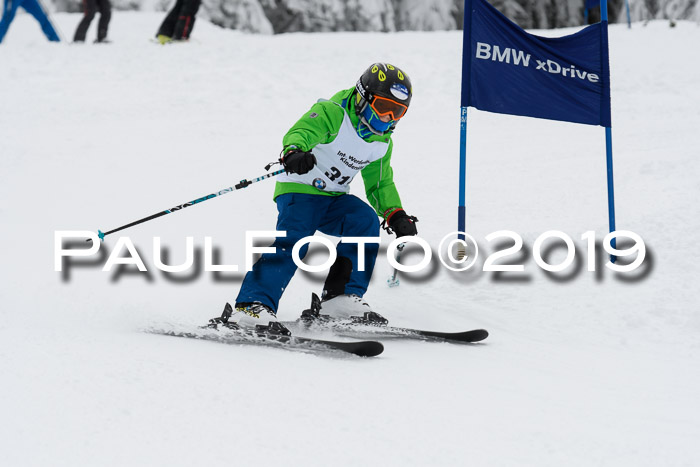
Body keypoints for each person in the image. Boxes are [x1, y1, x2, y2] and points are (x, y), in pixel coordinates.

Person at [222, 63, 419, 335]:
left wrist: (394, 213)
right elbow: (302, 132)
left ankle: (339, 298)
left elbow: (380, 183)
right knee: (296, 238)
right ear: (363, 98)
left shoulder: (382, 142)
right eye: (383, 107)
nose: (388, 118)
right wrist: (294, 152)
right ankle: (252, 304)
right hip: (300, 190)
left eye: (397, 112)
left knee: (363, 221)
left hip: (334, 198)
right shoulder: (333, 113)